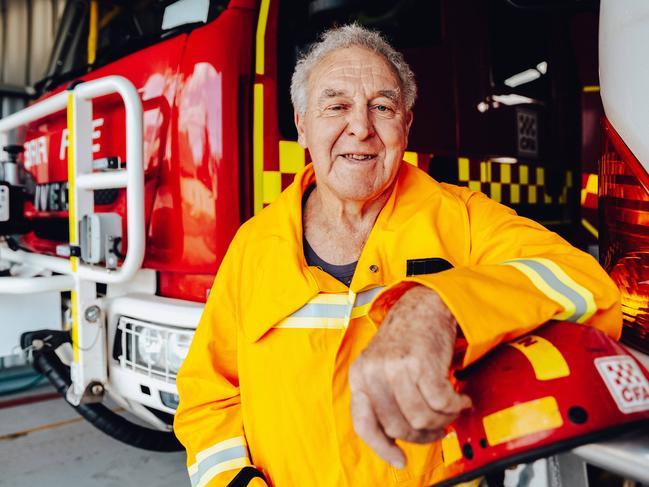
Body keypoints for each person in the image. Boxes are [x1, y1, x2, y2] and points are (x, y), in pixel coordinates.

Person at [174, 24, 621, 487]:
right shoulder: (253, 246)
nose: (362, 128)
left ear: (405, 126)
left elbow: (588, 285)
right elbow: (208, 397)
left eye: (382, 107)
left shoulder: (463, 221)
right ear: (302, 124)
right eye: (336, 106)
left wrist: (439, 305)